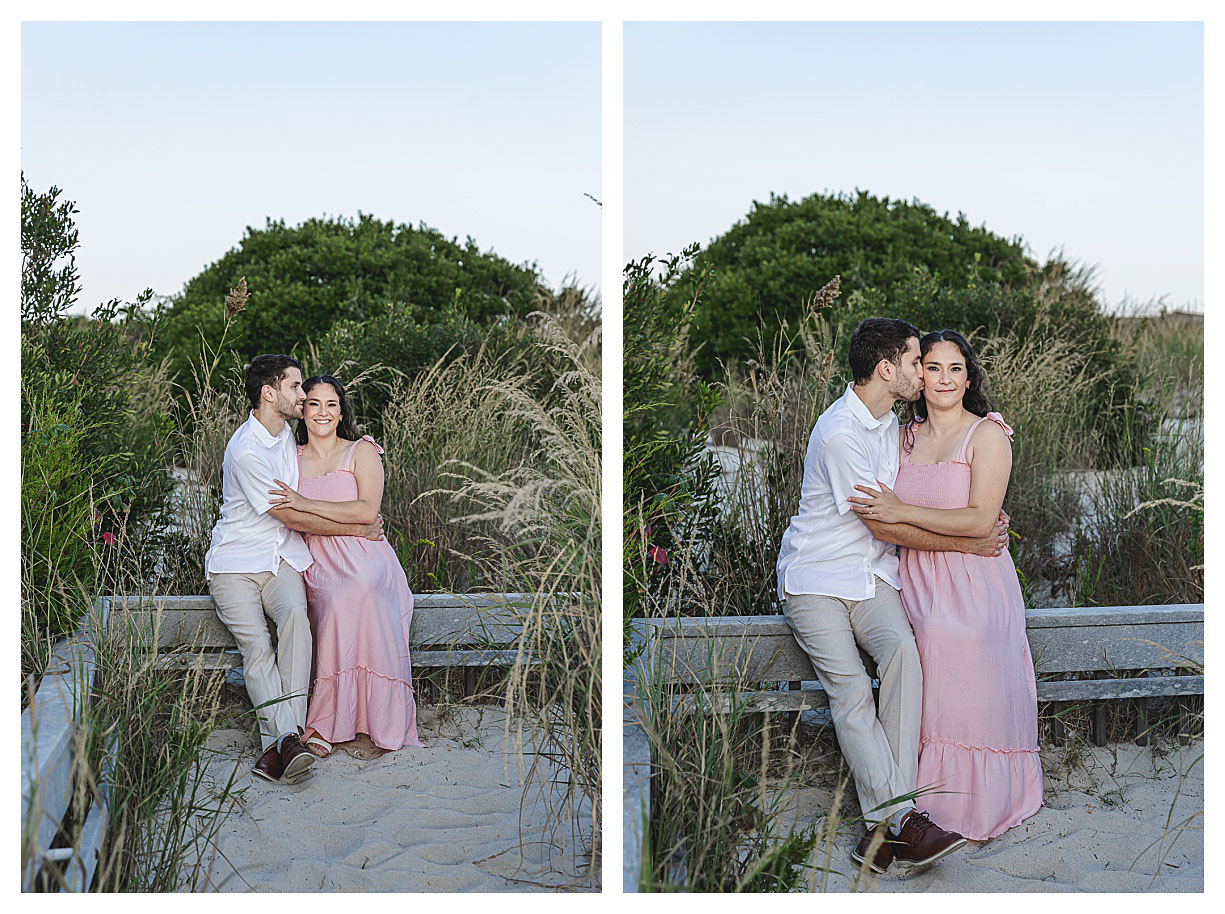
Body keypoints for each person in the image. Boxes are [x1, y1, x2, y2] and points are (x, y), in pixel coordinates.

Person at [775, 318, 1011, 875]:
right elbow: (884, 525)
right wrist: (975, 542)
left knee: (905, 657)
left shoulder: (891, 424)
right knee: (852, 690)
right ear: (888, 370)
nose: (922, 371)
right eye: (914, 362)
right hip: (816, 582)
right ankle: (904, 821)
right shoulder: (839, 435)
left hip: (872, 580)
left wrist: (973, 531)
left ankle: (883, 833)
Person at [847, 329, 1042, 841]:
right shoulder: (901, 437)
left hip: (975, 579)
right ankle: (917, 805)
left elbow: (982, 521)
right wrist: (898, 519)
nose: (944, 378)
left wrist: (904, 510)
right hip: (913, 577)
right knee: (920, 645)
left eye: (956, 368)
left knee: (961, 635)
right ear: (917, 374)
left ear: (969, 376)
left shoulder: (987, 434)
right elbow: (878, 517)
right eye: (932, 367)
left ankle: (979, 801)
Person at [205, 355, 385, 783]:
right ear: (270, 393)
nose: (303, 397)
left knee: (296, 627)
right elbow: (290, 516)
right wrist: (361, 528)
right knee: (257, 649)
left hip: (282, 560)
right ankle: (287, 740)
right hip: (235, 565)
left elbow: (329, 459)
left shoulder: (287, 435)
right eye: (296, 387)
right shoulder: (245, 451)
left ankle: (280, 746)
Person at [267, 374, 424, 756]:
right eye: (314, 404)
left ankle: (379, 720)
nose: (322, 412)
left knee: (362, 585)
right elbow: (288, 516)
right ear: (302, 411)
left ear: (341, 413)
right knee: (335, 598)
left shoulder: (361, 451)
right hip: (316, 556)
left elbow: (369, 510)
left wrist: (306, 503)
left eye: (331, 405)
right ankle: (325, 721)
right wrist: (335, 518)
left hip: (367, 553)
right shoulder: (290, 455)